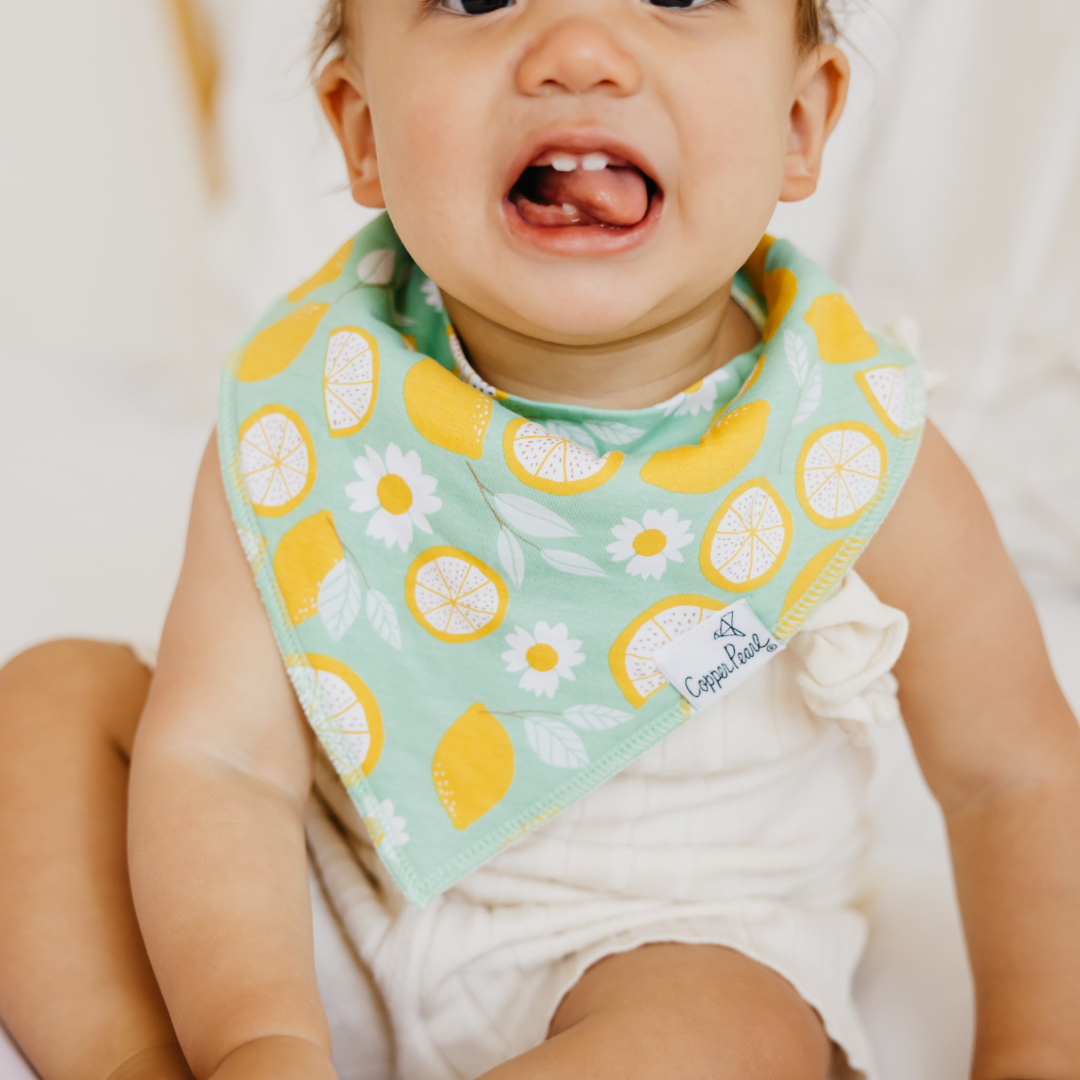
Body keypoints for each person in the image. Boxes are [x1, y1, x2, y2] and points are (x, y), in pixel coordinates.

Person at [2, 2, 1078, 1079]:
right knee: (46, 708)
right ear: (361, 128)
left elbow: (1016, 775)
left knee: (729, 1036)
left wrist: (1035, 1056)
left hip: (673, 942)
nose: (578, 54)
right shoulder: (314, 405)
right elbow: (225, 763)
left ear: (799, 123)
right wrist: (259, 1035)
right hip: (324, 897)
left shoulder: (846, 442)